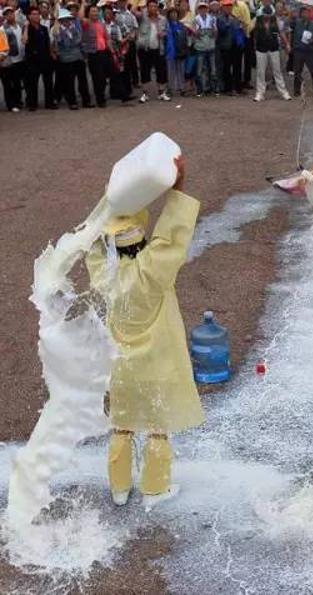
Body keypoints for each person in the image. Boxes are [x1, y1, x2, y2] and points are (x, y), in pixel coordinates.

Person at [86, 156, 205, 509]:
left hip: (121, 364)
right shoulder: (153, 270)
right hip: (158, 361)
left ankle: (119, 487)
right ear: (143, 242)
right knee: (157, 424)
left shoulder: (105, 276)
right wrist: (177, 191)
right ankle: (155, 487)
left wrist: (111, 201)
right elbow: (172, 240)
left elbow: (94, 244)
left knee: (121, 423)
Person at [252, 2, 290, 99]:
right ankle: (260, 93)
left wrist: (287, 44)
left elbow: (281, 32)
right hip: (261, 48)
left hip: (273, 48)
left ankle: (283, 92)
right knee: (261, 71)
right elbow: (249, 29)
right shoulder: (257, 19)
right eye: (265, 15)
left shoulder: (275, 19)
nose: (267, 17)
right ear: (262, 13)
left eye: (269, 15)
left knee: (277, 71)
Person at [23, 5, 56, 110]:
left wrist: (52, 54)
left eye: (37, 14)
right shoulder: (27, 28)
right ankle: (32, 104)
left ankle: (49, 103)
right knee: (33, 83)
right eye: (33, 14)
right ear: (29, 16)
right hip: (32, 59)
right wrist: (26, 27)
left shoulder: (44, 29)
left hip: (45, 58)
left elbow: (48, 44)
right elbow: (24, 41)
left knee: (48, 82)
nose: (36, 16)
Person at [135, 0, 169, 102]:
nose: (153, 8)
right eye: (150, 6)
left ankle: (161, 93)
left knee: (161, 71)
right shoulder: (142, 18)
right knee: (145, 71)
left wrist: (163, 34)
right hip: (145, 48)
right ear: (147, 7)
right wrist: (139, 3)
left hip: (159, 48)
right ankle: (145, 94)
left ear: (157, 8)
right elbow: (133, 11)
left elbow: (167, 31)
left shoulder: (163, 19)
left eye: (155, 6)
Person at [289, 3, 313, 96]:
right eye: (303, 12)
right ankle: (296, 91)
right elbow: (287, 28)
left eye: (307, 12)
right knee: (297, 72)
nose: (305, 14)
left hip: (310, 51)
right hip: (298, 50)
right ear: (300, 13)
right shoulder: (296, 22)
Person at [217, 0, 245, 94]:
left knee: (237, 67)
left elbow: (239, 30)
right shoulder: (219, 18)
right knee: (226, 68)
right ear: (222, 7)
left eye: (230, 6)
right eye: (226, 6)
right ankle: (227, 88)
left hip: (236, 46)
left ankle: (238, 87)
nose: (228, 8)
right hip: (225, 46)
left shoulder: (235, 17)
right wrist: (229, 23)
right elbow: (221, 31)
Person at [1, 5, 25, 112]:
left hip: (20, 59)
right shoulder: (2, 29)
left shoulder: (20, 26)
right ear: (5, 17)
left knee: (17, 83)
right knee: (8, 84)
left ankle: (18, 101)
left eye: (11, 13)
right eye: (7, 14)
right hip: (8, 60)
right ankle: (11, 104)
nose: (10, 15)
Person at [194, 0, 218, 95]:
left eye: (204, 8)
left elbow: (215, 33)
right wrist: (199, 31)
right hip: (200, 48)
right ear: (198, 10)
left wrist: (213, 30)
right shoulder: (195, 19)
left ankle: (214, 89)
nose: (203, 10)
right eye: (201, 8)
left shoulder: (212, 19)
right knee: (200, 70)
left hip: (211, 47)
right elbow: (196, 34)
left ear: (207, 9)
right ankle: (200, 90)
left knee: (213, 70)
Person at [164, 6, 189, 98]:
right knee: (170, 71)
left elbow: (185, 38)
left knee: (181, 70)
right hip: (170, 50)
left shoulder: (182, 26)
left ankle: (182, 88)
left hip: (181, 50)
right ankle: (170, 88)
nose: (173, 15)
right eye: (172, 13)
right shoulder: (166, 25)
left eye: (175, 13)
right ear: (169, 15)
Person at [115, 0, 138, 92]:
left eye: (123, 2)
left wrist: (132, 36)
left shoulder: (131, 15)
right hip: (119, 42)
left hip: (130, 41)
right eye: (120, 2)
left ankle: (135, 81)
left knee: (132, 62)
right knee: (122, 64)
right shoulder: (115, 15)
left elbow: (135, 27)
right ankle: (123, 84)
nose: (122, 4)